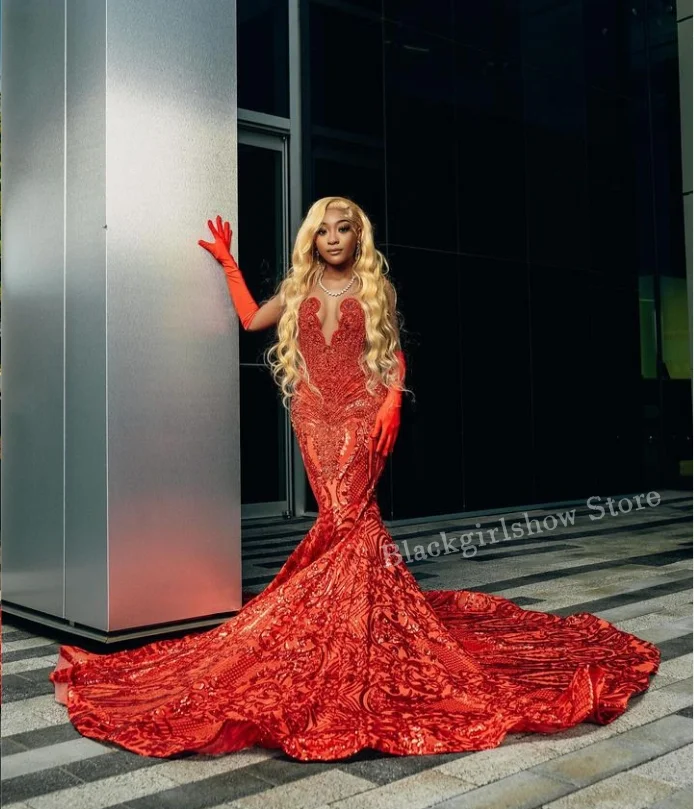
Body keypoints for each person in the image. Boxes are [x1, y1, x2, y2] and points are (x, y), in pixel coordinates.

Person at [49, 196, 660, 761]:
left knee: (350, 519)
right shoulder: (298, 286)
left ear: (357, 237)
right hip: (314, 416)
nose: (335, 238)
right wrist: (228, 262)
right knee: (343, 520)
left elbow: (393, 351)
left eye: (345, 229)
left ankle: (341, 628)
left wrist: (393, 400)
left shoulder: (376, 288)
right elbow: (249, 320)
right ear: (312, 238)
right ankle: (345, 624)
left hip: (366, 412)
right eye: (325, 229)